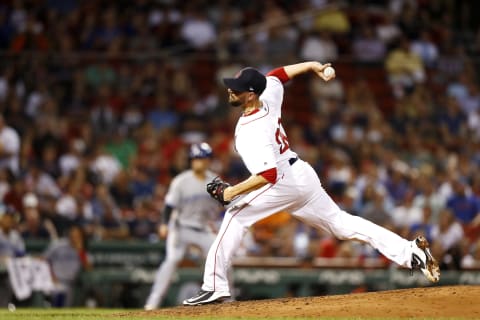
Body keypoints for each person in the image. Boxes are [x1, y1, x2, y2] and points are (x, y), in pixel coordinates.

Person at [183, 61, 440, 306]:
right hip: (301, 176)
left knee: (235, 215)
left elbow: (268, 175)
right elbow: (278, 74)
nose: (230, 90)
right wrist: (314, 66)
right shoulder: (267, 94)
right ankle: (410, 252)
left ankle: (215, 286)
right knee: (341, 224)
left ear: (250, 95)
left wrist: (231, 192)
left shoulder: (254, 131)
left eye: (236, 88)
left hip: (282, 181)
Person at [144, 142, 225, 310]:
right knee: (172, 259)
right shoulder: (181, 181)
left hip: (203, 229)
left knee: (221, 258)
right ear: (191, 161)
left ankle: (228, 300)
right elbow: (168, 206)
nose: (199, 162)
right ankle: (153, 302)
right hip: (180, 228)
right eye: (196, 158)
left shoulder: (215, 181)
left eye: (203, 158)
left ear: (209, 160)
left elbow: (226, 203)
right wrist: (164, 224)